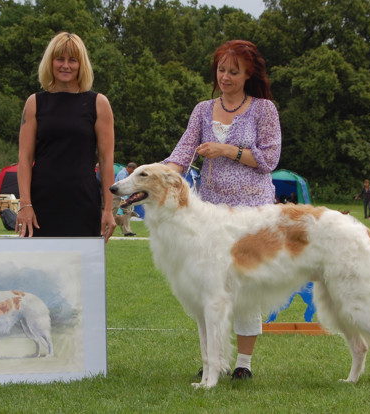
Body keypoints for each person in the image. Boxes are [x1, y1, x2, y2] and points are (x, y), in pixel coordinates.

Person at [164, 39, 282, 380]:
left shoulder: (263, 110)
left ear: (249, 75)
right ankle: (212, 359)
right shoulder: (202, 109)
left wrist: (226, 149)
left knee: (244, 287)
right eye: (221, 70)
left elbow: (269, 159)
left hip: (251, 214)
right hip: (211, 215)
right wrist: (157, 176)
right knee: (209, 287)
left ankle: (243, 364)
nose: (225, 77)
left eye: (234, 71)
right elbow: (182, 154)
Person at [16, 32, 116, 240]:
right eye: (60, 59)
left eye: (73, 60)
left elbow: (106, 161)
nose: (66, 66)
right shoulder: (34, 103)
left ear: (81, 65)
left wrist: (108, 209)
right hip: (40, 204)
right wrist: (25, 204)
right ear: (50, 62)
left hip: (83, 202)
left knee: (83, 271)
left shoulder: (99, 104)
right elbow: (24, 158)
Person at [113, 162, 137, 236]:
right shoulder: (122, 174)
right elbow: (122, 187)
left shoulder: (126, 174)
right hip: (116, 196)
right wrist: (124, 199)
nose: (133, 172)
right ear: (130, 168)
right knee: (112, 213)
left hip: (121, 196)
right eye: (133, 170)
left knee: (128, 212)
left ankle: (127, 231)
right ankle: (104, 231)